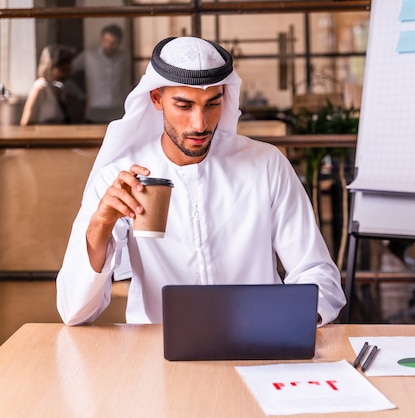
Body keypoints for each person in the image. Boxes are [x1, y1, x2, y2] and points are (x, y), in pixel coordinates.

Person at [56, 36, 346, 326]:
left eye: (212, 104)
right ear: (156, 98)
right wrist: (100, 225)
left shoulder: (266, 165)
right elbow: (75, 311)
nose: (200, 124)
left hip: (257, 348)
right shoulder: (120, 177)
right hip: (156, 356)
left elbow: (316, 273)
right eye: (184, 106)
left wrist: (286, 323)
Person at [72, 23, 132, 123]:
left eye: (114, 42)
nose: (109, 45)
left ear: (120, 42)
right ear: (101, 39)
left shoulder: (124, 57)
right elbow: (69, 71)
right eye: (106, 41)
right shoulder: (89, 56)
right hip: (95, 108)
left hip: (118, 108)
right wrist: (80, 95)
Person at [20, 44, 76, 125]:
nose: (71, 68)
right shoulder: (40, 87)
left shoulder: (61, 86)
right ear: (53, 67)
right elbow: (26, 120)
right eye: (66, 65)